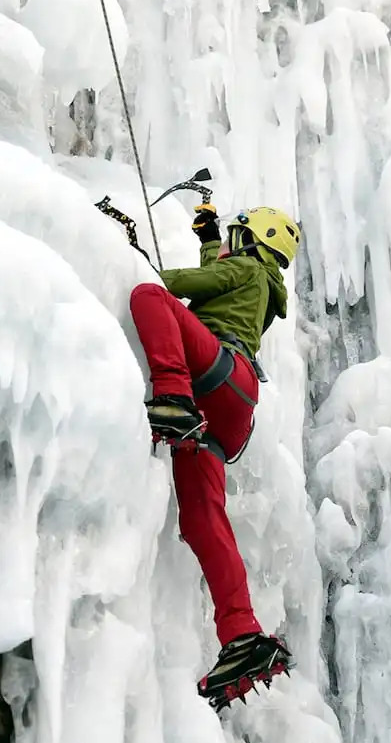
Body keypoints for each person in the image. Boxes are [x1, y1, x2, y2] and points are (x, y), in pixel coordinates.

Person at [128, 202, 302, 711]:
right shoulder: (255, 280)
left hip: (214, 380)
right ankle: (242, 634)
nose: (226, 244)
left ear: (251, 242)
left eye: (232, 236)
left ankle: (171, 398)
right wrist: (208, 238)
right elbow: (218, 275)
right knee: (204, 520)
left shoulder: (245, 269)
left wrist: (132, 261)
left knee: (148, 296)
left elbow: (181, 283)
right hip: (231, 412)